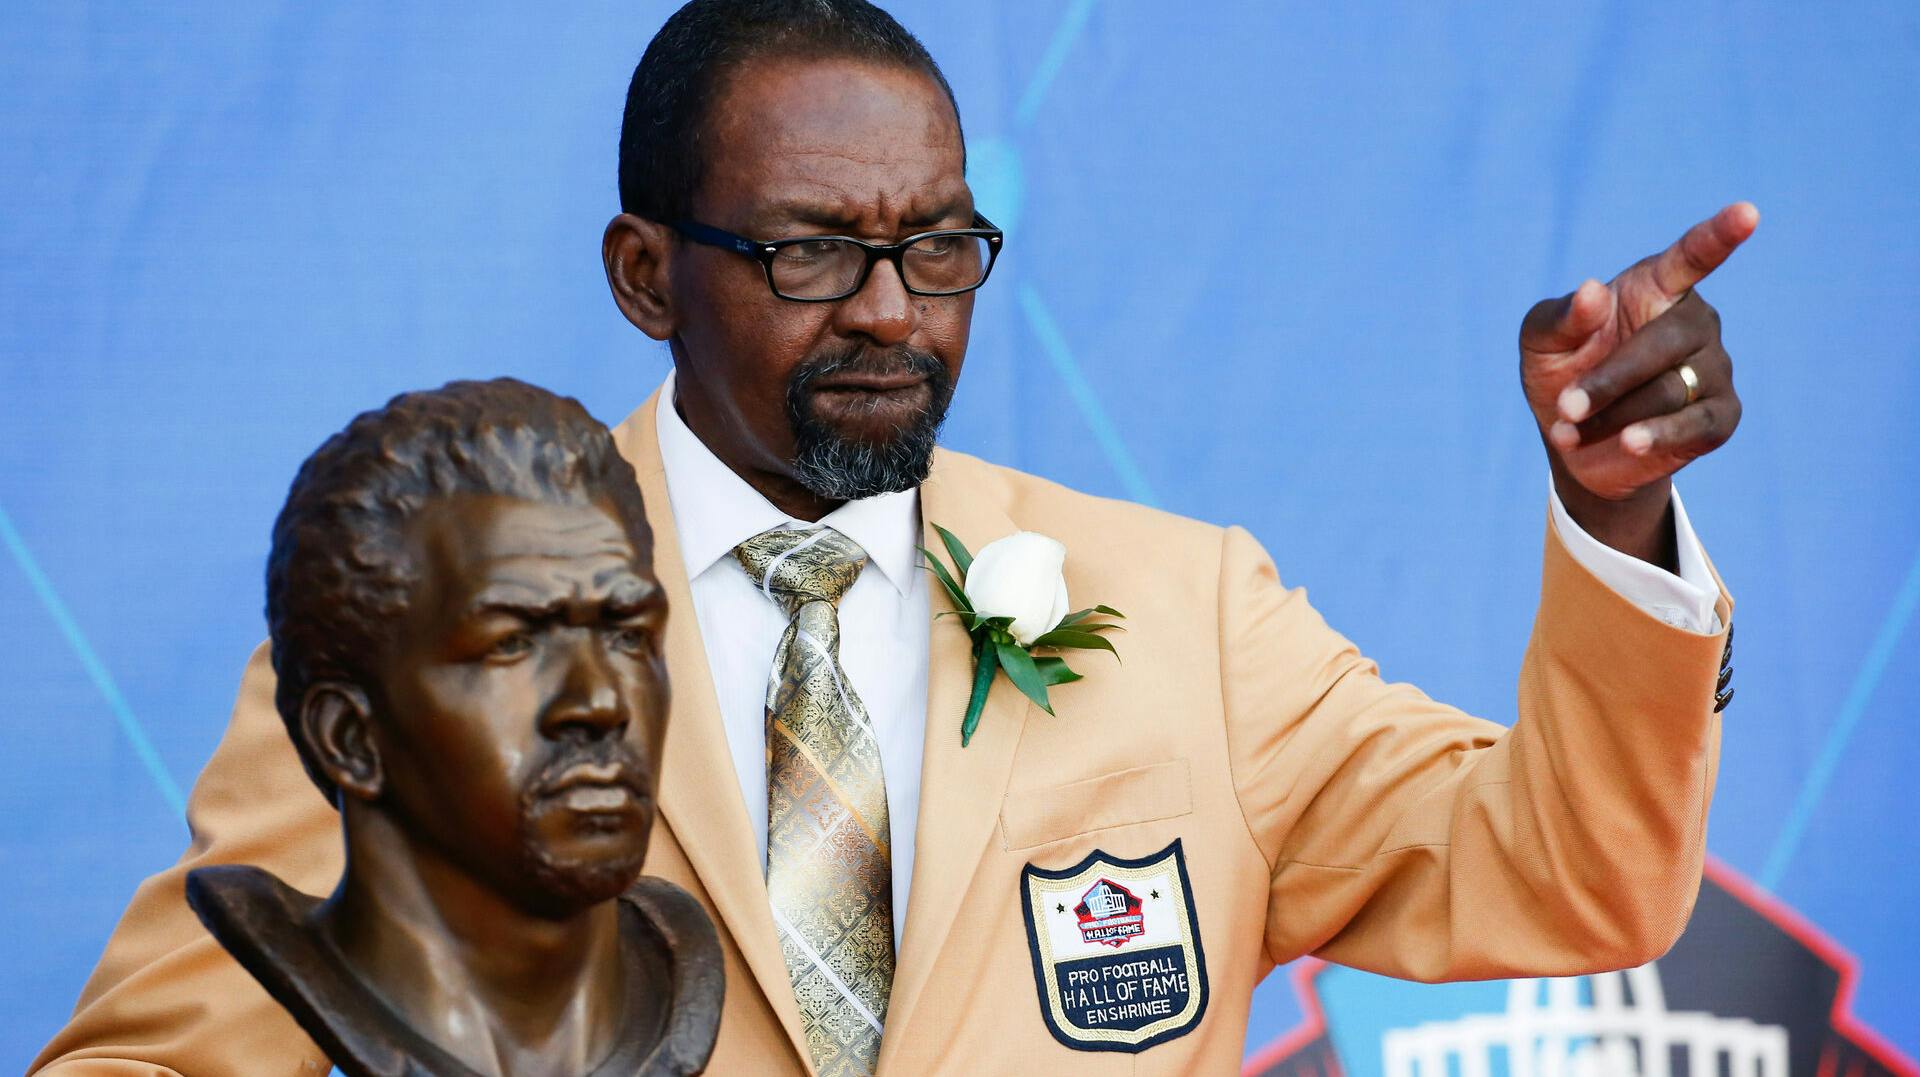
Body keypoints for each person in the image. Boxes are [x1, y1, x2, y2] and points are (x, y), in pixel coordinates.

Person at [34, 1, 1751, 1073]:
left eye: (938, 249)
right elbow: (163, 1056)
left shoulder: (1179, 608)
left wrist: (1617, 518)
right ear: (648, 275)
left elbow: (1573, 871)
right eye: (809, 253)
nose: (891, 315)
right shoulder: (431, 621)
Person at [182, 378, 723, 1076]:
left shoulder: (675, 963)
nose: (598, 702)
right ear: (349, 737)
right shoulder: (258, 979)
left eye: (626, 634)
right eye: (511, 643)